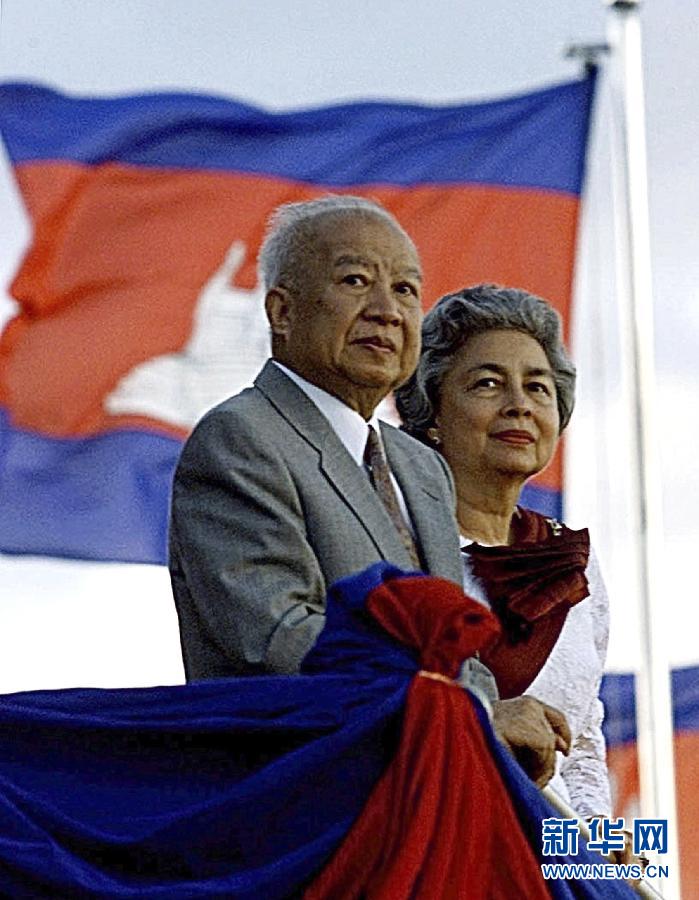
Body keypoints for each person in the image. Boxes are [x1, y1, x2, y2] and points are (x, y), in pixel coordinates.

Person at [169, 198, 570, 787]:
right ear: (281, 311)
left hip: (431, 787)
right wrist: (479, 715)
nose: (387, 311)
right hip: (303, 804)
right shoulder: (241, 438)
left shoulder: (419, 466)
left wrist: (490, 722)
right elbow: (279, 640)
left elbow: (455, 649)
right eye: (356, 281)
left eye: (407, 291)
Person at [395, 283, 612, 818]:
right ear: (432, 414)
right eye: (489, 384)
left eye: (538, 388)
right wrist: (484, 714)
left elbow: (584, 739)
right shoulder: (395, 543)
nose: (519, 405)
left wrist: (604, 859)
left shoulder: (572, 561)